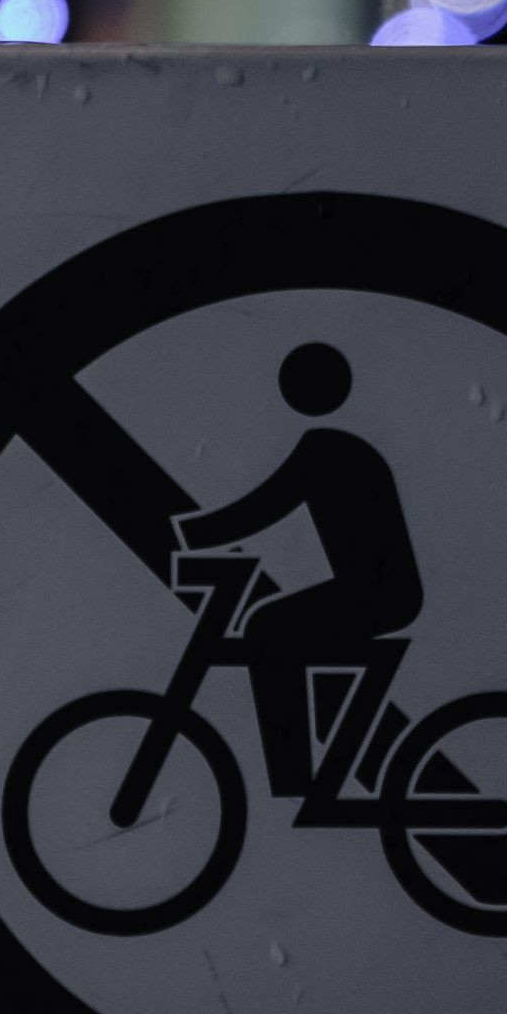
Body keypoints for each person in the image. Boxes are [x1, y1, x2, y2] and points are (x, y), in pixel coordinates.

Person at [170, 342, 423, 799]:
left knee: (267, 627)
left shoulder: (326, 450)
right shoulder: (347, 447)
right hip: (374, 588)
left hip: (379, 593)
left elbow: (263, 508)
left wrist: (186, 534)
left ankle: (293, 779)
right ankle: (303, 774)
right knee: (271, 626)